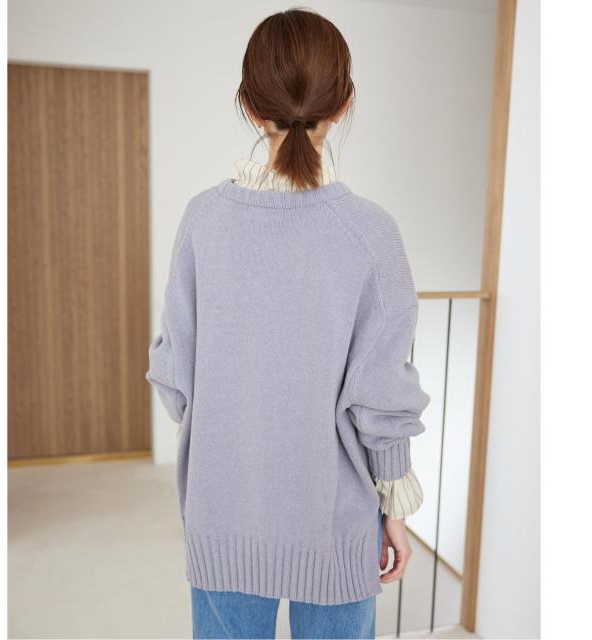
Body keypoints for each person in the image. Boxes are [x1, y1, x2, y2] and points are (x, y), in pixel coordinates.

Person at [147, 8, 430, 639]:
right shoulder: (371, 234)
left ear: (249, 105)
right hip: (335, 525)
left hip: (221, 516)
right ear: (344, 104)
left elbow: (173, 379)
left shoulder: (203, 220)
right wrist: (395, 508)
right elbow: (382, 398)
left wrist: (234, 432)